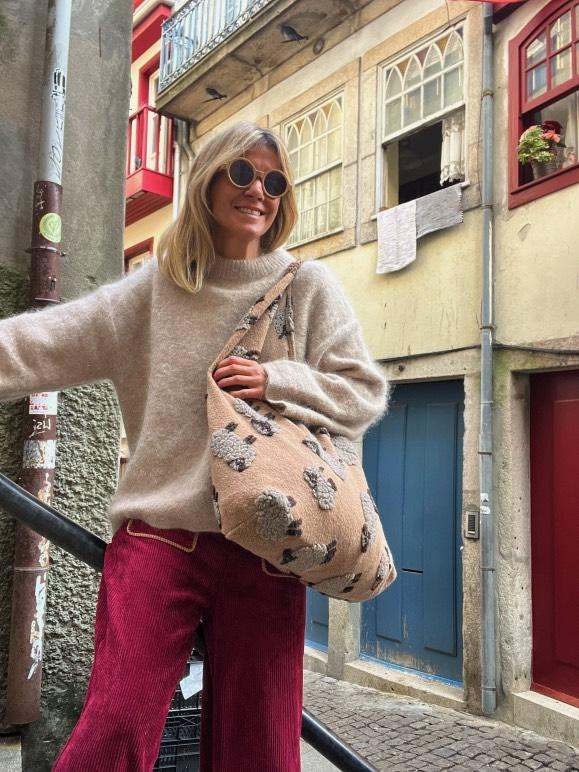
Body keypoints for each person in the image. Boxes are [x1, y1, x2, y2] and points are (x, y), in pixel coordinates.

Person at [0, 121, 389, 771]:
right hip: (161, 539)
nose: (258, 190)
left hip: (268, 546)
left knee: (260, 751)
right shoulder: (154, 291)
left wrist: (277, 381)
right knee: (114, 729)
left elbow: (363, 392)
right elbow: (39, 344)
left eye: (273, 181)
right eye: (242, 172)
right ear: (207, 180)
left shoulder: (307, 286)